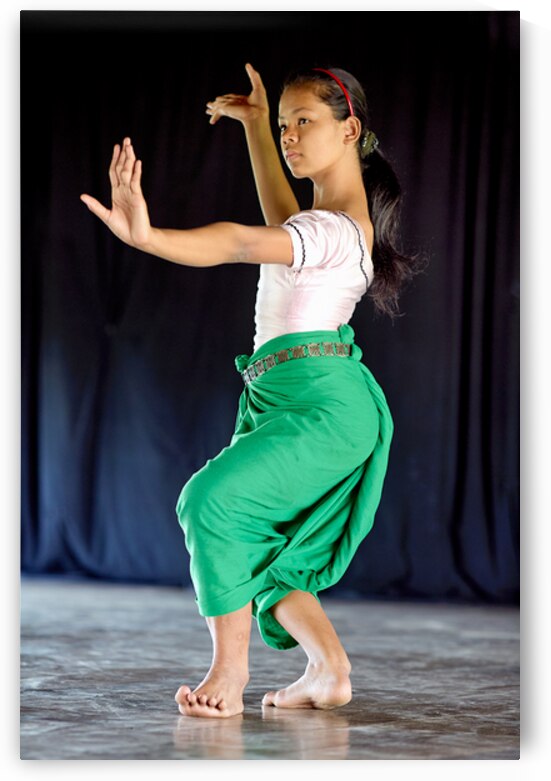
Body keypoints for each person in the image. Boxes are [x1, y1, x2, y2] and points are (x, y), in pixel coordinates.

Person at [80, 63, 423, 719]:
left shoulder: (330, 231)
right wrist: (256, 128)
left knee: (209, 502)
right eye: (286, 123)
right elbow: (278, 215)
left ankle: (228, 670)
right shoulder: (325, 223)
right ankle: (328, 668)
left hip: (320, 403)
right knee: (262, 549)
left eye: (306, 123)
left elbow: (242, 241)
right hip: (287, 397)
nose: (291, 136)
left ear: (350, 128)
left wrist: (149, 236)